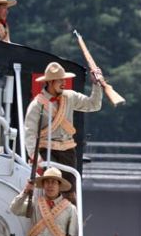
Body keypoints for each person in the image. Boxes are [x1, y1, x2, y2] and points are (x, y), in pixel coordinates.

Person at [24, 62, 103, 197]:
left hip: (68, 151)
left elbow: (93, 105)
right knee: (50, 190)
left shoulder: (70, 97)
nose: (63, 82)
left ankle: (70, 216)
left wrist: (96, 84)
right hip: (47, 150)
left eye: (63, 79)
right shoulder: (37, 105)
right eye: (60, 80)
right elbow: (29, 134)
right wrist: (36, 158)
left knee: (70, 193)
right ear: (50, 82)